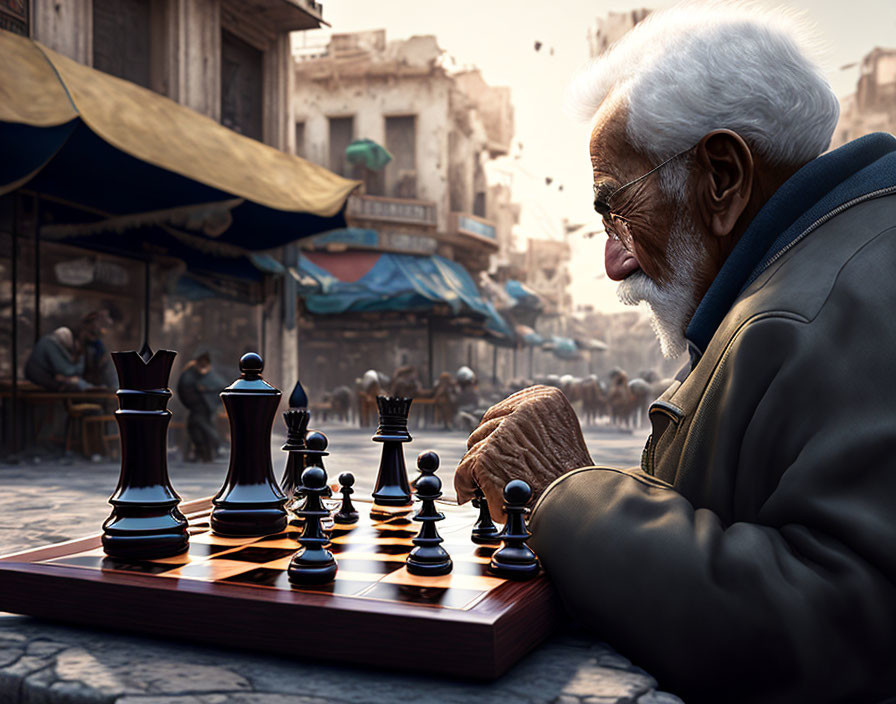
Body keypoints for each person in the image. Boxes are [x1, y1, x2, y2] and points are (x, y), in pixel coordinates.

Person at [454, 4, 896, 703]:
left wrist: (565, 490)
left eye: (618, 208)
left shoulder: (822, 300)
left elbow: (836, 632)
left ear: (720, 178)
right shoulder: (823, 268)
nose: (614, 263)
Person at [176, 352, 222, 462]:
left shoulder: (200, 375)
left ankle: (205, 452)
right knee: (198, 428)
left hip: (201, 406)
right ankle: (206, 452)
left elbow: (219, 386)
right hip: (199, 406)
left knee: (198, 428)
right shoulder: (191, 375)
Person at [24, 327, 89, 391]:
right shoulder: (49, 344)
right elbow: (66, 370)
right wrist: (81, 359)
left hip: (43, 377)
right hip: (41, 378)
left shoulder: (51, 342)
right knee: (74, 387)